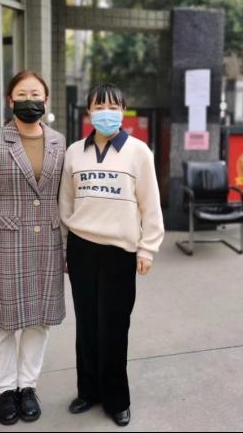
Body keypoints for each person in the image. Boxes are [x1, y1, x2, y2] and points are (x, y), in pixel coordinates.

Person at [59, 83, 165, 427]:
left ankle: (116, 399)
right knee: (87, 324)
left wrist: (147, 248)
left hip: (120, 251)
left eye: (113, 106)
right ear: (88, 111)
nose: (106, 112)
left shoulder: (139, 152)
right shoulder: (74, 152)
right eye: (99, 106)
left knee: (115, 326)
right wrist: (65, 247)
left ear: (123, 111)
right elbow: (65, 204)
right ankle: (88, 391)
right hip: (81, 249)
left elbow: (151, 205)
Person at [0, 70, 66, 425]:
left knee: (39, 320)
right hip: (6, 241)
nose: (30, 100)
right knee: (3, 323)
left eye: (36, 94)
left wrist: (68, 245)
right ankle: (6, 390)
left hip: (47, 241)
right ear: (10, 100)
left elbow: (63, 196)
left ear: (46, 100)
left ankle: (28, 386)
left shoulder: (58, 142)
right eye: (22, 94)